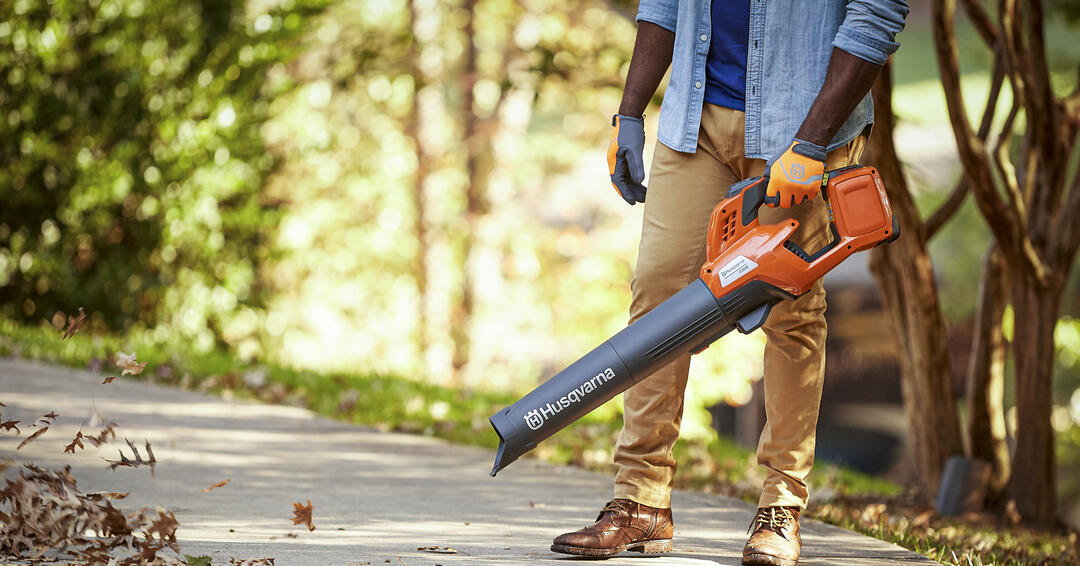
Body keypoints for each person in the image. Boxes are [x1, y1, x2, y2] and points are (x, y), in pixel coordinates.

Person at [550, 1, 909, 565]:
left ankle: (781, 505)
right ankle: (640, 499)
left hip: (804, 126)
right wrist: (629, 111)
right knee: (658, 296)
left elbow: (876, 14)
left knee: (790, 307)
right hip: (694, 120)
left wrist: (813, 145)